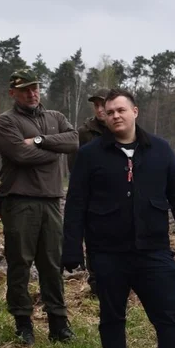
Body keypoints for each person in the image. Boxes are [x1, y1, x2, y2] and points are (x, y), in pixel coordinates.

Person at [62, 89, 175, 348]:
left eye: (121, 110)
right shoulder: (91, 154)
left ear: (135, 112)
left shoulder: (159, 150)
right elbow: (76, 204)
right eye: (109, 111)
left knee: (169, 318)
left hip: (153, 252)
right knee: (112, 319)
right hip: (107, 253)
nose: (115, 115)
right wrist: (72, 249)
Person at [0, 70, 79, 345]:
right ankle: (23, 323)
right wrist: (56, 150)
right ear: (13, 93)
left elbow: (74, 141)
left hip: (52, 202)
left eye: (36, 88)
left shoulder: (56, 117)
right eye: (26, 90)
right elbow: (20, 154)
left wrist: (41, 141)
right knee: (20, 264)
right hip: (19, 202)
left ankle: (58, 324)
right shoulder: (6, 122)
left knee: (52, 265)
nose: (32, 94)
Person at [71, 89, 109, 299]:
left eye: (103, 104)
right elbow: (75, 168)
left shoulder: (124, 130)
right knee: (95, 243)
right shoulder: (84, 133)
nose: (100, 109)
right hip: (94, 200)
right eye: (96, 105)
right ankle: (96, 287)